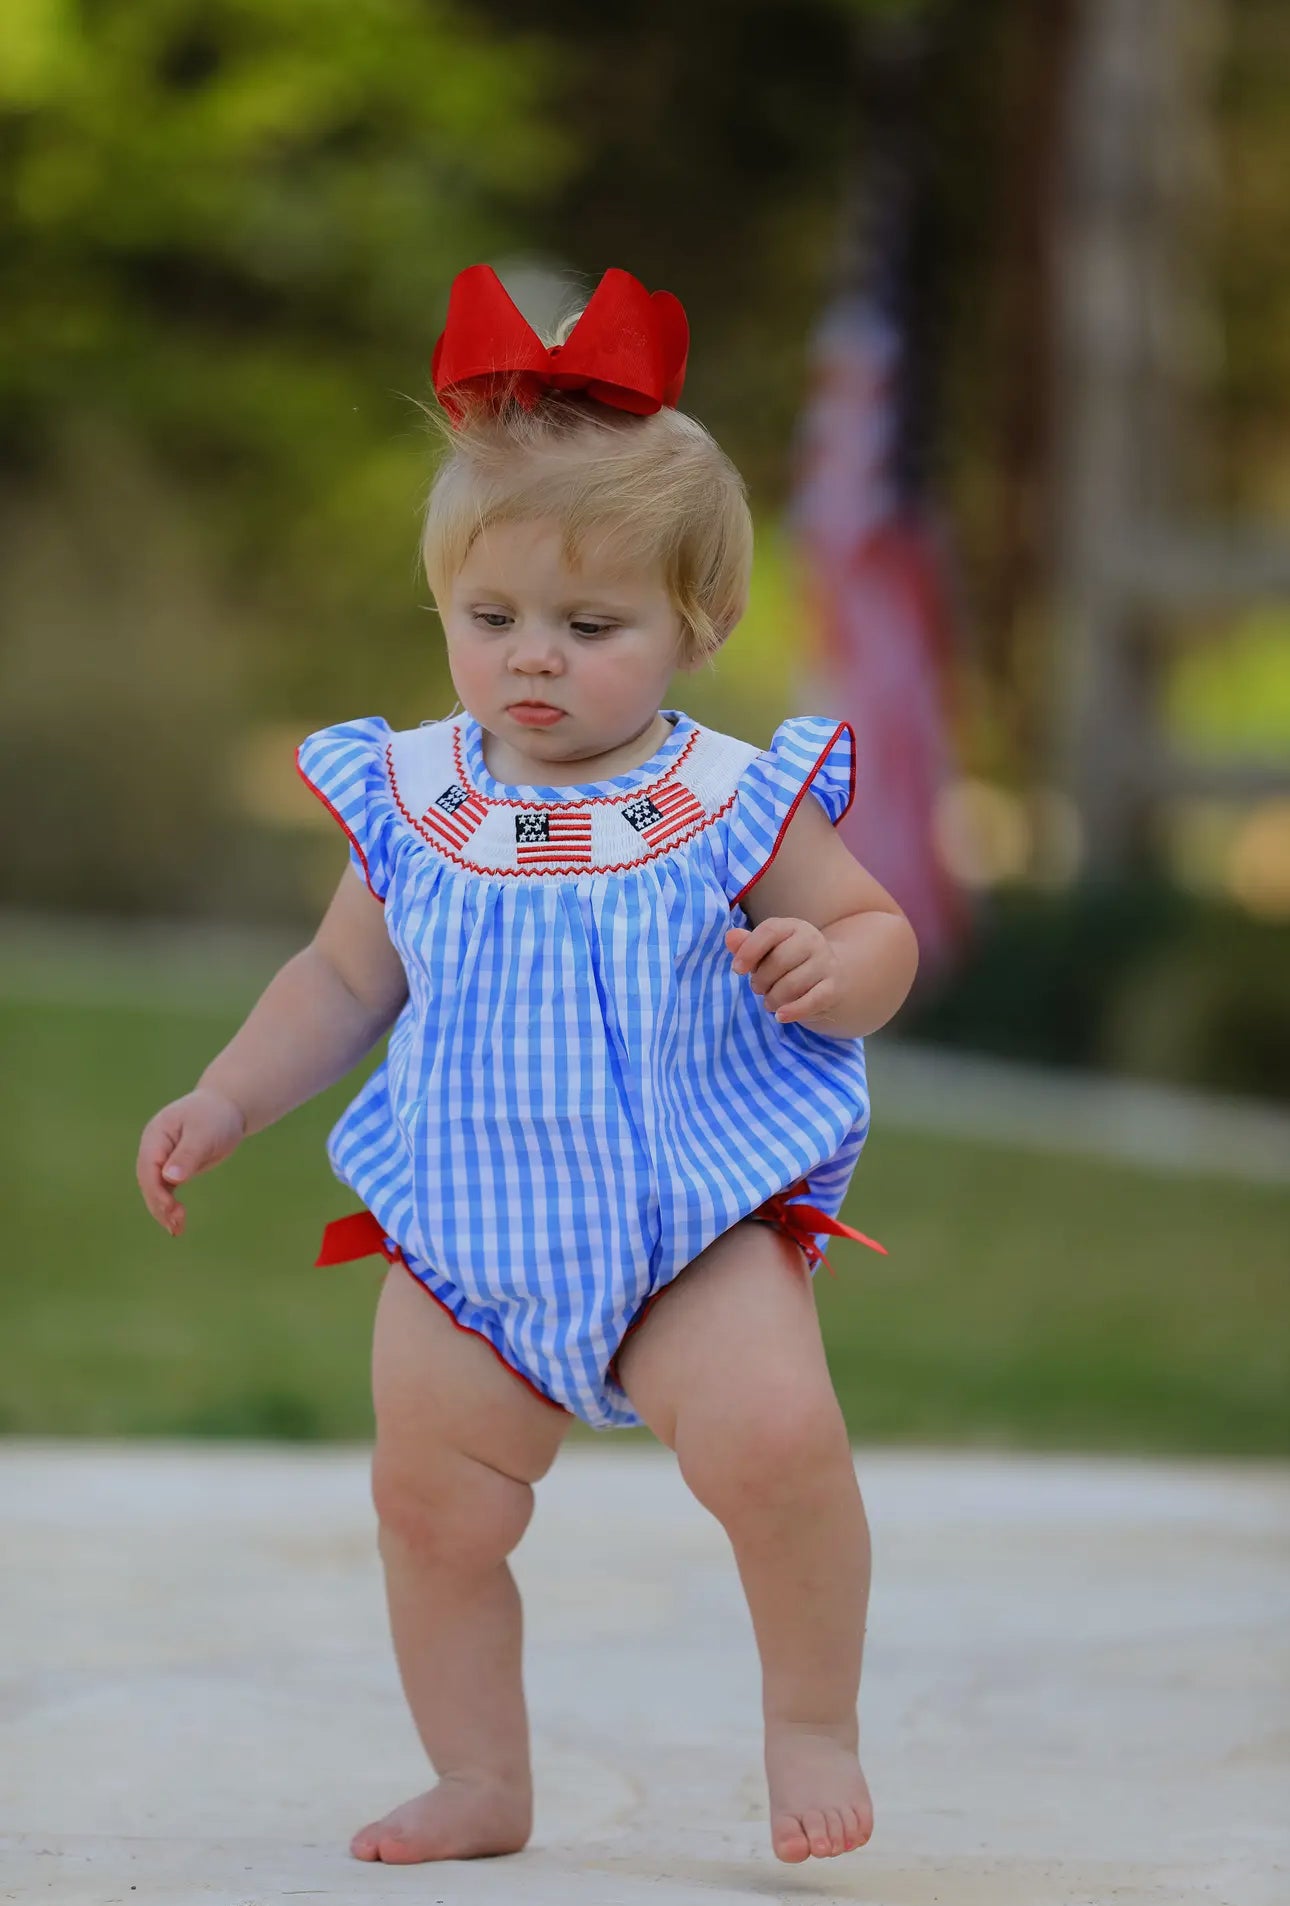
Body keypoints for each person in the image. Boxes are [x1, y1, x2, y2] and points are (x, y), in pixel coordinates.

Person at [135, 262, 920, 1868]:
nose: (531, 658)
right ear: (444, 611)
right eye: (490, 619)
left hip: (687, 1222)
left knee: (778, 1445)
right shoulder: (417, 795)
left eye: (588, 623)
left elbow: (875, 928)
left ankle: (809, 1718)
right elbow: (341, 976)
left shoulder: (732, 797)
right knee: (432, 1510)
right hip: (467, 1239)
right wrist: (226, 1093)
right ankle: (480, 1775)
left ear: (693, 624)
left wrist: (830, 968)